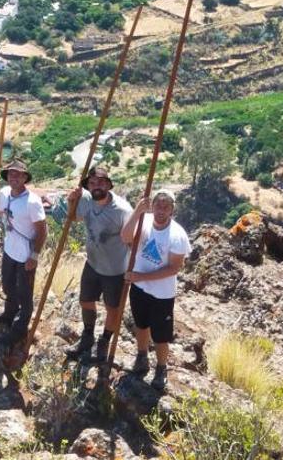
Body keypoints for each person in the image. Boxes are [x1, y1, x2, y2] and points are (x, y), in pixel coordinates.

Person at [120, 189, 190, 392]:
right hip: (139, 288)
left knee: (160, 334)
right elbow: (125, 237)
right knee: (141, 325)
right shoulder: (144, 221)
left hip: (162, 294)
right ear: (152, 205)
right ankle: (142, 357)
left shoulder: (177, 235)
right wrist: (137, 211)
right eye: (157, 204)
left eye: (165, 206)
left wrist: (141, 276)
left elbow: (174, 268)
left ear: (172, 209)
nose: (160, 209)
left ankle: (161, 368)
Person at [64, 167, 133, 363]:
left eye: (101, 182)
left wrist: (133, 269)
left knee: (113, 308)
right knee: (85, 301)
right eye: (92, 183)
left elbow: (132, 240)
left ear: (109, 184)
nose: (96, 186)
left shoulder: (122, 210)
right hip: (93, 263)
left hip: (115, 270)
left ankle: (104, 342)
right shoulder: (85, 200)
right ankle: (87, 337)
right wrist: (71, 201)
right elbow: (74, 218)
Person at [0, 159, 48, 347]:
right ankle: (9, 314)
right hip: (9, 249)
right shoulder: (4, 193)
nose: (14, 177)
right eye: (11, 173)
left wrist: (34, 256)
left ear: (24, 177)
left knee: (24, 292)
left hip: (25, 255)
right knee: (7, 285)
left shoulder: (32, 202)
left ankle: (20, 328)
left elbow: (42, 231)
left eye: (18, 174)